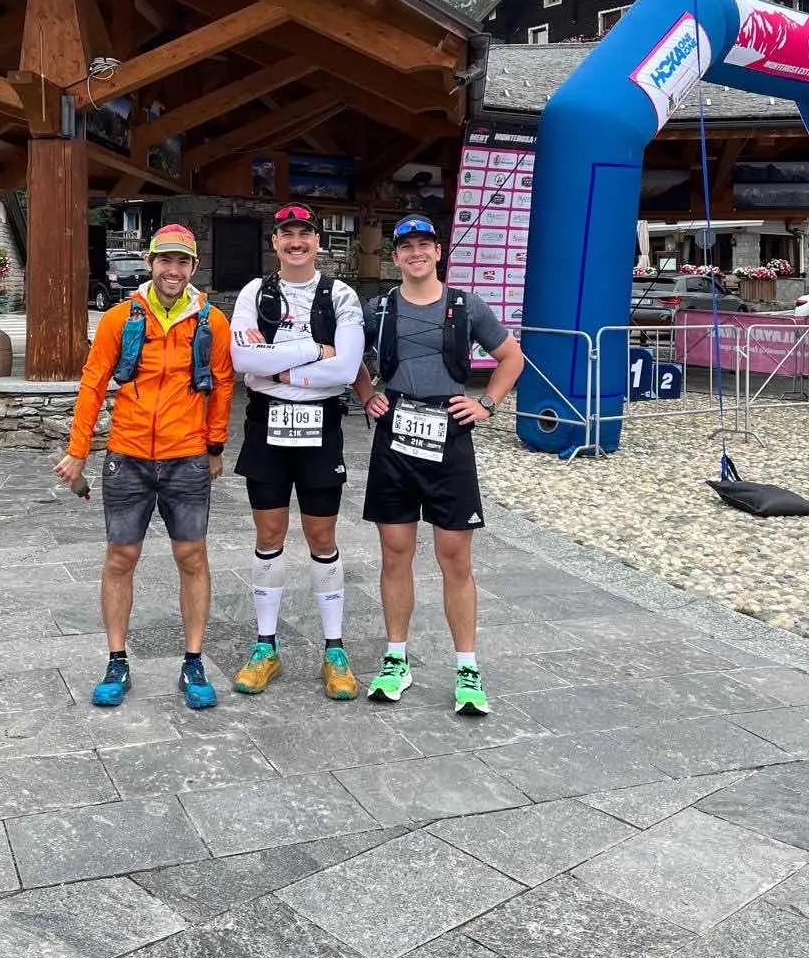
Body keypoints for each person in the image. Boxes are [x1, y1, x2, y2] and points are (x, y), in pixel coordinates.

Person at [54, 224, 234, 711]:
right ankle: (117, 660)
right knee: (120, 556)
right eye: (164, 260)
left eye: (182, 262)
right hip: (128, 454)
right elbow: (93, 383)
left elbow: (221, 384)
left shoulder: (212, 322)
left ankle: (193, 661)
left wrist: (214, 446)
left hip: (186, 456)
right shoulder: (120, 318)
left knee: (192, 556)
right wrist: (78, 450)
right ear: (150, 262)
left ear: (194, 267)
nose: (173, 270)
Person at [353, 213, 524, 716]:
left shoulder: (466, 306)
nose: (416, 253)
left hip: (449, 433)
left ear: (438, 251)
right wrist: (366, 394)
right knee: (395, 552)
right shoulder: (379, 308)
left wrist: (486, 404)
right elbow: (347, 356)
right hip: (396, 431)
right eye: (406, 247)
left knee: (455, 556)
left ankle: (467, 667)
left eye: (424, 245)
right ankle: (396, 658)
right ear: (395, 256)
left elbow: (511, 357)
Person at [229, 203, 366, 700]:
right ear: (275, 242)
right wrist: (312, 351)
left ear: (317, 241)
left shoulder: (341, 294)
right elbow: (241, 358)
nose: (296, 242)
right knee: (268, 533)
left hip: (320, 424)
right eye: (286, 234)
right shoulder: (255, 291)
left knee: (322, 536)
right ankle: (265, 646)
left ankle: (335, 649)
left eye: (304, 234)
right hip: (266, 421)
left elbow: (346, 369)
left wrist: (277, 367)